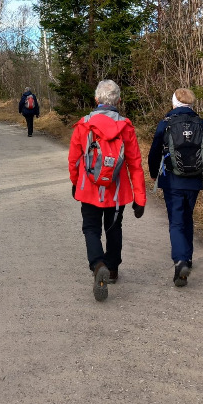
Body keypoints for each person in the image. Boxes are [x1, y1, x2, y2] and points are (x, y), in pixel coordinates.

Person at [68, 79, 146, 301]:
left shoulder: (84, 125)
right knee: (113, 228)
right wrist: (140, 198)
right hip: (117, 191)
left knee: (91, 228)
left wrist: (76, 182)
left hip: (89, 189)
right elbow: (135, 164)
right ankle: (111, 269)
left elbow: (74, 160)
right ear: (118, 101)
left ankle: (97, 264)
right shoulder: (126, 127)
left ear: (96, 99)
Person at [148, 87, 203, 288]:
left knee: (176, 221)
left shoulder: (166, 123)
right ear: (191, 104)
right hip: (194, 180)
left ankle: (180, 260)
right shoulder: (202, 124)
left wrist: (153, 172)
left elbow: (155, 151)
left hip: (171, 180)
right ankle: (187, 259)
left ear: (174, 103)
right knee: (187, 217)